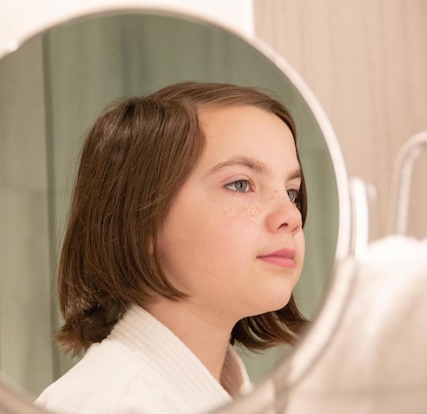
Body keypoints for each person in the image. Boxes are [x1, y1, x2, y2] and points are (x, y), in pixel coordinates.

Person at [35, 81, 308, 414]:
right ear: (142, 220)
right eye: (240, 184)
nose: (291, 216)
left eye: (292, 192)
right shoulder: (111, 405)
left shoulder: (230, 395)